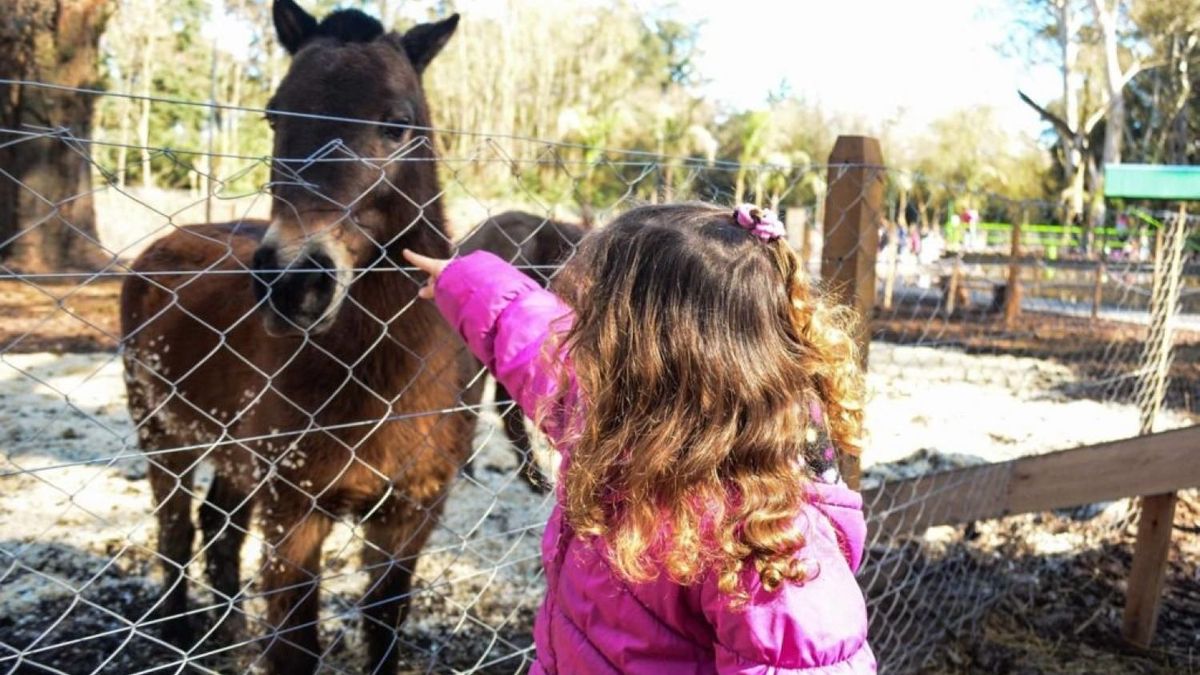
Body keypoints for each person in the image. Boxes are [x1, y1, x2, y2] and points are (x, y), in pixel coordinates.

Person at [404, 203, 875, 673]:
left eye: (590, 325)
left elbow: (804, 658)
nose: (572, 340)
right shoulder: (617, 423)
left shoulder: (766, 530)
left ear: (652, 353)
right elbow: (535, 349)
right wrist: (467, 283)